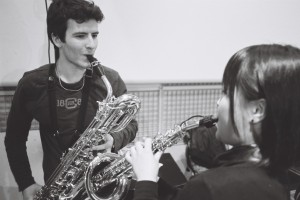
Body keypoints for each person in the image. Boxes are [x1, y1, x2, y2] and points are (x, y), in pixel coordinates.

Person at [126, 44, 300, 200]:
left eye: (225, 93)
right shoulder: (280, 173)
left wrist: (145, 181)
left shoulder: (210, 186)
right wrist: (154, 180)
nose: (218, 102)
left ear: (257, 110)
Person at [4, 0, 138, 199]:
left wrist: (114, 139)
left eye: (94, 35)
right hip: (60, 191)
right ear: (57, 39)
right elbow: (14, 139)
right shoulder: (32, 84)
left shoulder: (110, 80)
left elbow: (131, 126)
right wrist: (26, 183)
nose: (91, 44)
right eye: (81, 36)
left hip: (105, 186)